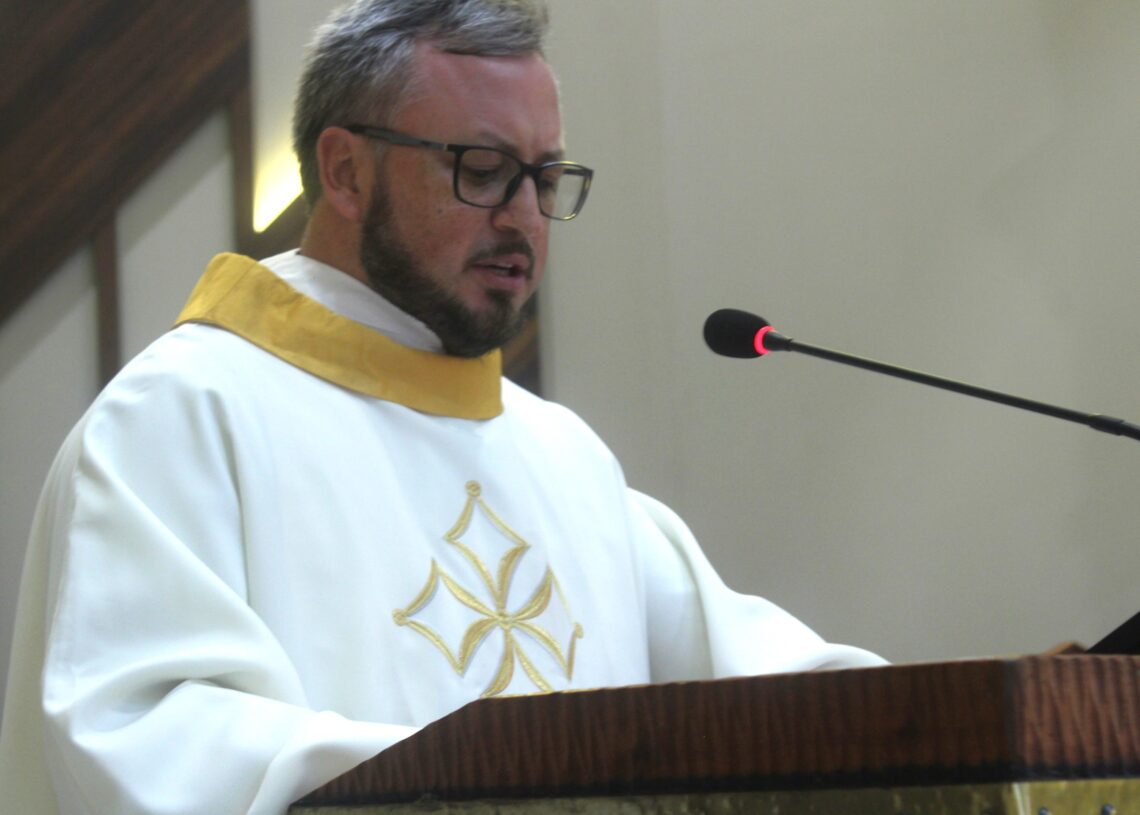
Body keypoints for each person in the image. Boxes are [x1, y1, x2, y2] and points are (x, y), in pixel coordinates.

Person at [0, 1, 884, 813]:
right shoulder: (181, 415)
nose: (526, 218)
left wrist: (989, 708)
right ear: (345, 170)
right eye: (486, 170)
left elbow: (762, 686)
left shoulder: (559, 451)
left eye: (545, 179)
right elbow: (144, 743)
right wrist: (504, 781)